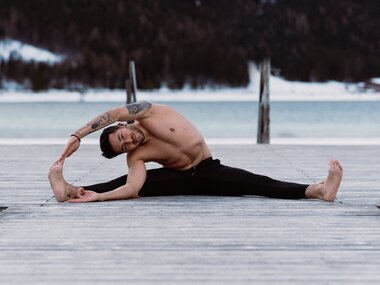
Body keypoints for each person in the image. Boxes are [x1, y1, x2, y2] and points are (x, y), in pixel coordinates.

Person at [48, 101, 343, 203]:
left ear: (124, 125)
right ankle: (70, 190)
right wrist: (99, 198)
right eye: (124, 146)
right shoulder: (136, 155)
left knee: (258, 183)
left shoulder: (149, 112)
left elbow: (112, 113)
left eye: (123, 136)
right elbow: (132, 189)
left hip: (207, 169)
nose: (129, 143)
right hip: (179, 177)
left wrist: (78, 134)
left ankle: (318, 190)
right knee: (119, 184)